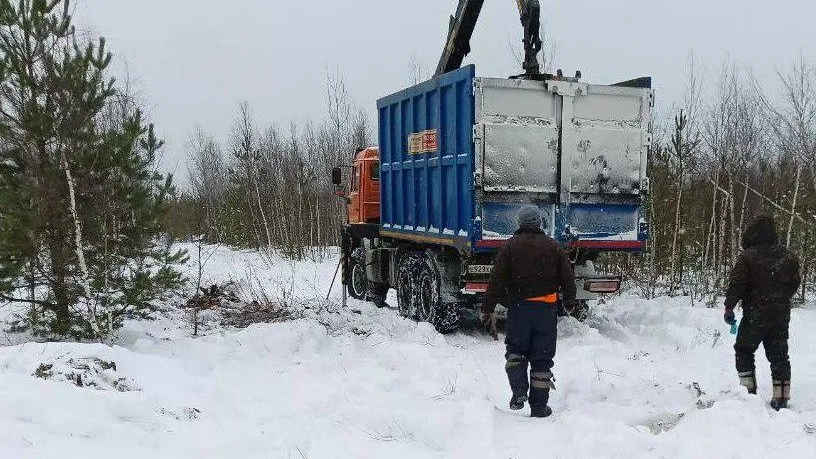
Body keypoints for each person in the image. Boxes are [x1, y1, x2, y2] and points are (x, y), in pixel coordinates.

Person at [482, 205, 577, 418]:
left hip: (519, 310)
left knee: (516, 351)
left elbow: (496, 281)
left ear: (520, 223)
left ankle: (518, 392)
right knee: (542, 358)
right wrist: (569, 301)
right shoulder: (553, 247)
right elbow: (568, 278)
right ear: (539, 223)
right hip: (546, 311)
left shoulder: (510, 246)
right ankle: (539, 407)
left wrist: (488, 309)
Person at [724, 215, 801, 410]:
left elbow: (737, 284)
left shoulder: (747, 256)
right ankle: (781, 397)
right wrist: (781, 298)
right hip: (780, 314)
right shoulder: (788, 256)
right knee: (779, 356)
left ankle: (748, 392)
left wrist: (729, 307)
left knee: (744, 350)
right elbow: (795, 282)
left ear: (752, 233)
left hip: (755, 314)